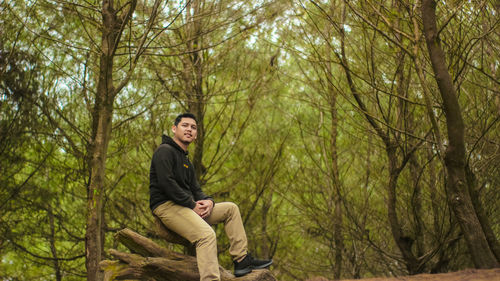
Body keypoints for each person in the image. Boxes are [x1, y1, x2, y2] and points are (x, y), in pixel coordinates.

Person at [149, 112, 272, 281]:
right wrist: (192, 205)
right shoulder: (164, 151)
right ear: (174, 129)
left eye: (193, 128)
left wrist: (209, 202)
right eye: (185, 125)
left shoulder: (186, 162)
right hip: (166, 206)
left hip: (186, 206)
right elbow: (166, 183)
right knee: (206, 235)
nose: (189, 130)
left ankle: (242, 261)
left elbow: (196, 189)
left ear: (196, 134)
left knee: (231, 209)